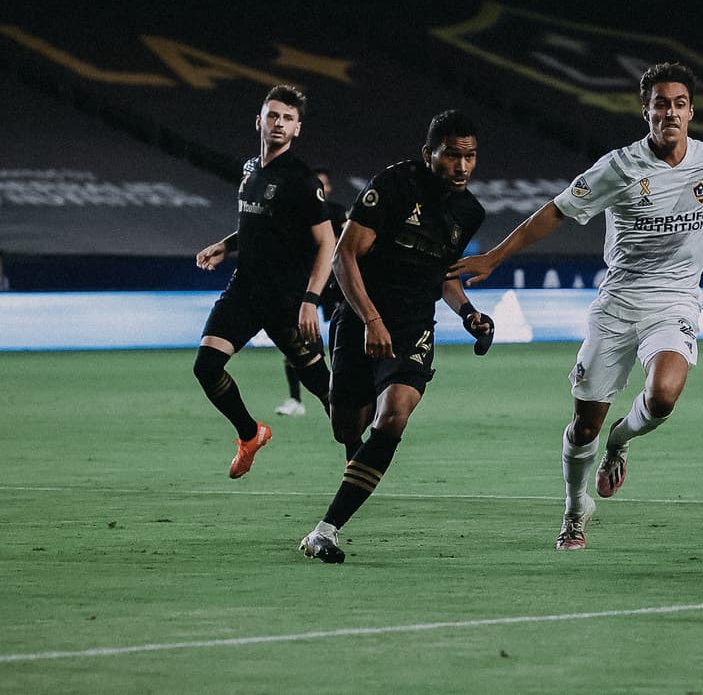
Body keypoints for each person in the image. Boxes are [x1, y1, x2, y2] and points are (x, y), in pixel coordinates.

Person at [449, 62, 703, 551]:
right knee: (583, 425)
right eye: (661, 104)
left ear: (691, 111)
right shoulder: (618, 167)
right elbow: (554, 211)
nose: (670, 112)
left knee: (662, 398)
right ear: (646, 112)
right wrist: (494, 256)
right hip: (618, 303)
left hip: (675, 300)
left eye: (679, 104)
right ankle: (576, 508)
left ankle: (621, 440)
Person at [299, 109, 493, 564]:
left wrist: (468, 314)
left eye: (471, 157)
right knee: (347, 426)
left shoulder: (470, 212)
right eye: (452, 156)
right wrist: (370, 320)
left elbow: (443, 274)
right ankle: (357, 465)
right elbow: (344, 256)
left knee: (394, 413)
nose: (462, 167)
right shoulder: (392, 185)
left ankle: (324, 530)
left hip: (412, 327)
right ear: (429, 154)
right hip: (359, 316)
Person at [194, 84, 337, 478]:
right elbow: (259, 225)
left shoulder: (303, 181)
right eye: (273, 115)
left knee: (324, 390)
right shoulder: (249, 170)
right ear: (259, 121)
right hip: (245, 289)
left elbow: (327, 243)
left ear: (297, 130)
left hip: (287, 299)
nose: (279, 123)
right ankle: (249, 433)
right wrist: (226, 245)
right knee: (206, 367)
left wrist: (311, 298)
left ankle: (359, 451)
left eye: (288, 119)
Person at [276, 167, 348, 417]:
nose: (321, 188)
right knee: (295, 342)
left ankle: (343, 391)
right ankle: (295, 399)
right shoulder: (297, 215)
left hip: (335, 283)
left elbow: (349, 246)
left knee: (344, 337)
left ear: (328, 188)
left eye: (324, 184)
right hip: (305, 284)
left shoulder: (339, 213)